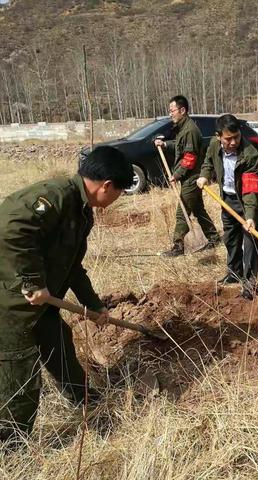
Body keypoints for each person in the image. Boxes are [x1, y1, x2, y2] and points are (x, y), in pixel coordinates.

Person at [0, 145, 133, 443]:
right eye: (120, 191)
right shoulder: (57, 196)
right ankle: (11, 444)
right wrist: (33, 281)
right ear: (107, 186)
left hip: (40, 305)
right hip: (11, 303)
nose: (117, 198)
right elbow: (11, 228)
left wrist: (94, 305)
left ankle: (87, 401)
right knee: (20, 377)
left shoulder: (81, 210)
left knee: (59, 345)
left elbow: (73, 266)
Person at [197, 114, 258, 300]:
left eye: (237, 137)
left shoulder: (250, 153)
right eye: (229, 138)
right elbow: (208, 162)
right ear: (219, 136)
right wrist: (204, 175)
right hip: (226, 197)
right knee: (230, 236)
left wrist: (250, 215)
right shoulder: (213, 144)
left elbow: (250, 189)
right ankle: (234, 272)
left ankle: (249, 282)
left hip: (248, 199)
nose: (234, 142)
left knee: (250, 237)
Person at [154, 95, 219, 256]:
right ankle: (213, 236)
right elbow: (179, 146)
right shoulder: (184, 128)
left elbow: (190, 158)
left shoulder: (190, 130)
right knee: (198, 209)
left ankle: (178, 246)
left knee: (181, 212)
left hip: (192, 177)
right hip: (190, 177)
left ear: (182, 110)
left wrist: (176, 175)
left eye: (172, 111)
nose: (170, 114)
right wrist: (165, 144)